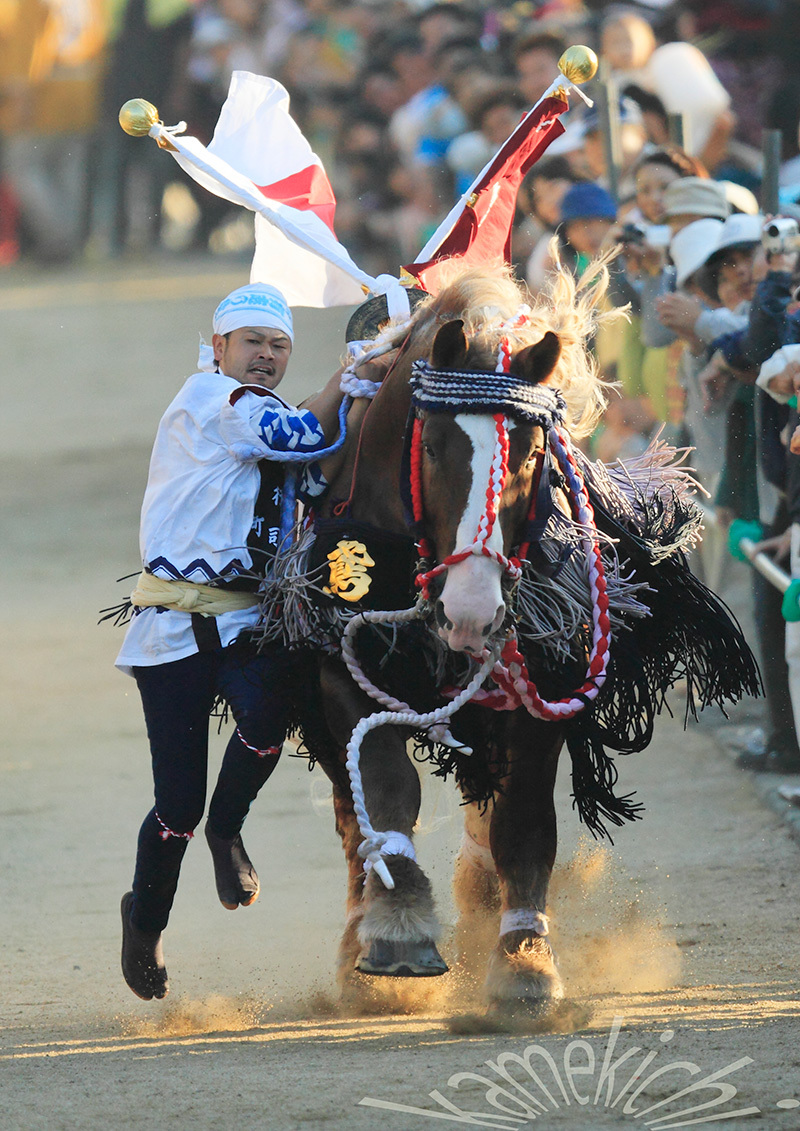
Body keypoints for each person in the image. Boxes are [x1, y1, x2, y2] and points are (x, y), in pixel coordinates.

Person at [115, 282, 379, 1001]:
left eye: (279, 345)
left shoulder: (266, 410)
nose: (266, 355)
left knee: (271, 715)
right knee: (176, 806)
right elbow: (298, 436)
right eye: (253, 342)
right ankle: (145, 919)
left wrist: (365, 390)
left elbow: (317, 461)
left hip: (246, 620)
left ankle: (228, 831)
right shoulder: (211, 400)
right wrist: (348, 377)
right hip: (173, 624)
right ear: (219, 344)